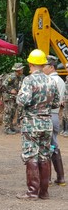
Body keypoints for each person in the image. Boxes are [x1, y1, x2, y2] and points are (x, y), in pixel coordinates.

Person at [16, 49, 60, 200]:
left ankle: (32, 192)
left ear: (31, 63)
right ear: (43, 64)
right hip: (47, 122)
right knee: (44, 155)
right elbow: (56, 103)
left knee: (31, 155)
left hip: (31, 122)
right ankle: (44, 192)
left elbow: (22, 101)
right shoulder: (51, 81)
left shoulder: (28, 80)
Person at [43, 55, 66, 186]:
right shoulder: (60, 80)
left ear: (51, 67)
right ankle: (60, 177)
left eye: (44, 66)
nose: (42, 68)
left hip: (49, 115)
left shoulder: (50, 81)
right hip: (55, 116)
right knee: (53, 145)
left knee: (48, 146)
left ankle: (49, 178)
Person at [2, 63, 25, 135]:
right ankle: (6, 128)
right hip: (9, 97)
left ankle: (11, 126)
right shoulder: (11, 76)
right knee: (8, 112)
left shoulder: (21, 77)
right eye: (21, 69)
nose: (22, 70)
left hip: (15, 97)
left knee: (12, 112)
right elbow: (4, 85)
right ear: (18, 70)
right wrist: (10, 90)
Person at [61, 64, 68, 137]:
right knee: (64, 114)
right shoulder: (67, 77)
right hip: (66, 100)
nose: (67, 69)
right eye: (66, 67)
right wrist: (63, 98)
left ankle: (66, 130)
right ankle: (64, 129)